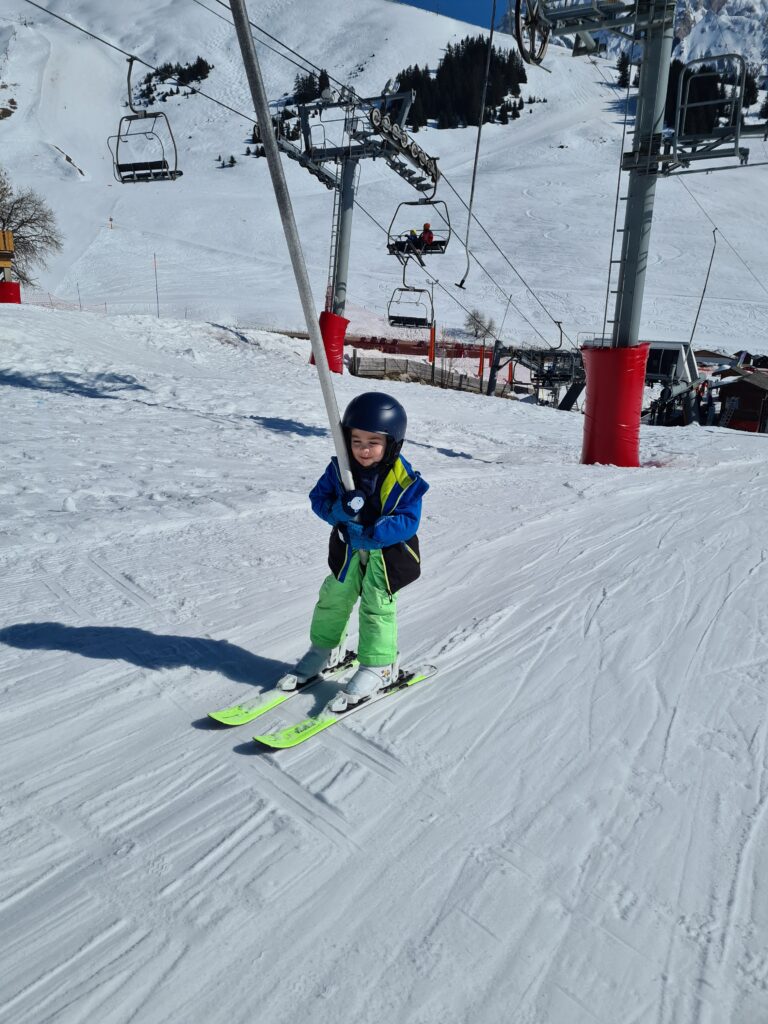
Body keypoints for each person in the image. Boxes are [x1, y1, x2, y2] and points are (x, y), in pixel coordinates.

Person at [279, 392, 429, 712]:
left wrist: (374, 532)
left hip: (384, 559)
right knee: (332, 599)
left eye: (373, 442)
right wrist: (341, 511)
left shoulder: (404, 479)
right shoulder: (339, 471)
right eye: (356, 439)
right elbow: (318, 501)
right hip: (347, 552)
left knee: (376, 610)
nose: (363, 449)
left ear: (392, 444)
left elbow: (409, 521)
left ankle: (379, 666)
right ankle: (325, 650)